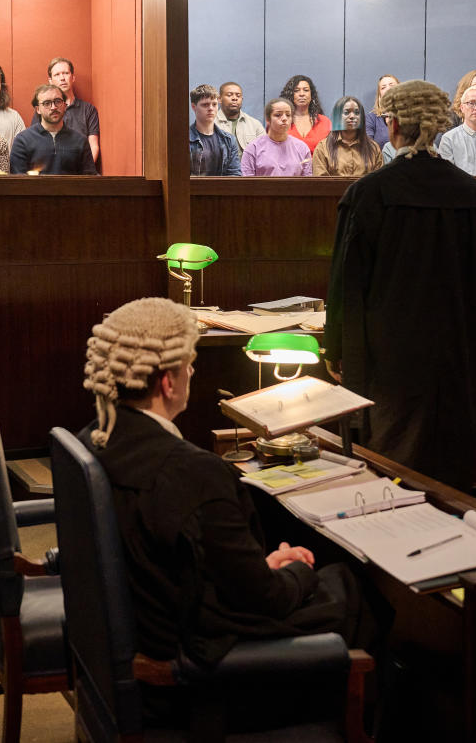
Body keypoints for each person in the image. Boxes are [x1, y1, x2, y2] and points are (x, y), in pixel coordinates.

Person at [77, 297, 380, 727]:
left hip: (148, 642)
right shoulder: (193, 472)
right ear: (167, 382)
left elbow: (190, 559)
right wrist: (294, 571)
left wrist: (259, 567)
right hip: (200, 683)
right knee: (354, 588)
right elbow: (268, 600)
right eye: (189, 362)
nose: (193, 371)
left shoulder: (94, 439)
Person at [325, 80, 476, 490]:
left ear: (391, 125)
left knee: (390, 471)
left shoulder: (369, 194)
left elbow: (345, 284)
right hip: (459, 357)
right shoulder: (474, 195)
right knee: (451, 470)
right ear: (440, 124)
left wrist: (336, 350)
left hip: (391, 364)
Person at [30, 57, 101, 171]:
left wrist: (85, 172)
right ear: (50, 81)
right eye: (57, 74)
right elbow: (34, 142)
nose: (62, 78)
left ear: (73, 77)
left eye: (66, 73)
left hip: (80, 171)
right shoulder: (43, 109)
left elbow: (94, 146)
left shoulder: (88, 110)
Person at [9, 84, 96, 175]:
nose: (53, 107)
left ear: (64, 105)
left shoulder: (80, 141)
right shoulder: (22, 141)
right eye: (47, 103)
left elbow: (89, 180)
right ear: (38, 109)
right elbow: (18, 182)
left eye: (58, 101)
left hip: (71, 189)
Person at [240, 98, 312, 176]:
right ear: (268, 119)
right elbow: (247, 183)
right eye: (278, 115)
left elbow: (307, 182)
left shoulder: (302, 148)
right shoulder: (253, 148)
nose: (284, 118)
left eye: (288, 115)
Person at [313, 95, 382, 176]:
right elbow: (320, 184)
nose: (352, 116)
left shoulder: (373, 148)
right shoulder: (323, 148)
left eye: (357, 112)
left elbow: (379, 182)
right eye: (346, 112)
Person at [187, 84, 240, 176]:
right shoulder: (183, 140)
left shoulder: (229, 140)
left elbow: (234, 176)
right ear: (194, 107)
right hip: (193, 190)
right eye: (205, 105)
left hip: (223, 190)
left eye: (214, 104)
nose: (211, 108)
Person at [280, 74, 331, 154]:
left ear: (312, 95)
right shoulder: (282, 121)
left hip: (318, 166)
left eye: (306, 90)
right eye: (296, 90)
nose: (302, 94)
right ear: (290, 94)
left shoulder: (324, 122)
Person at [214, 81, 265, 157]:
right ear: (219, 99)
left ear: (242, 99)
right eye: (229, 95)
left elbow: (265, 152)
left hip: (249, 168)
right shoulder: (210, 123)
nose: (234, 98)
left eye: (238, 96)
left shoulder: (255, 125)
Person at [365, 74, 399, 147]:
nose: (388, 89)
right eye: (383, 87)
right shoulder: (371, 119)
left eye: (391, 85)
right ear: (380, 95)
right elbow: (367, 148)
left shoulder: (410, 115)